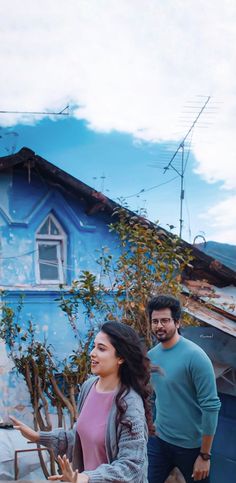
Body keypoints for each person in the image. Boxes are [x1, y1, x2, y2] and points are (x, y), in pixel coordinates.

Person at [10, 321, 154, 483]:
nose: (92, 353)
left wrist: (85, 477)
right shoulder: (88, 387)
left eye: (101, 348)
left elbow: (132, 466)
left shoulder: (129, 403)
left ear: (120, 357)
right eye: (93, 346)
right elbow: (78, 437)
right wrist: (38, 436)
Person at [147, 294, 221, 483]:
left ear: (177, 322)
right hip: (159, 442)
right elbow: (152, 396)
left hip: (192, 447)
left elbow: (211, 407)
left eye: (165, 320)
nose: (159, 326)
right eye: (155, 321)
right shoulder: (150, 357)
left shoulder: (196, 356)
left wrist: (205, 456)